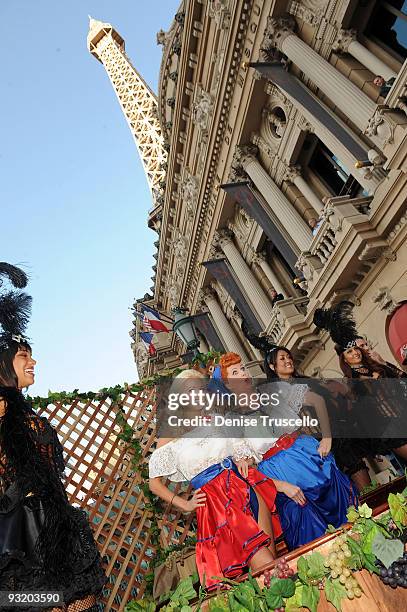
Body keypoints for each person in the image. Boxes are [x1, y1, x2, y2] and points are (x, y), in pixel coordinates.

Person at [0, 263, 106, 612]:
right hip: (19, 533)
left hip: (55, 521)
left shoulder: (25, 412)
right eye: (23, 355)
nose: (33, 361)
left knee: (80, 602)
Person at [149, 369, 281, 591]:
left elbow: (240, 448)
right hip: (219, 506)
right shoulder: (171, 433)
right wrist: (185, 504)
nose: (199, 395)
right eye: (191, 391)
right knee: (270, 569)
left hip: (246, 488)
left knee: (272, 566)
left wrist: (243, 458)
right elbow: (154, 483)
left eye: (201, 389)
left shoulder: (216, 419)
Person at [218, 350, 356, 551]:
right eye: (235, 373)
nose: (243, 374)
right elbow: (247, 469)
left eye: (243, 368)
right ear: (228, 385)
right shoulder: (232, 420)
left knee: (347, 513)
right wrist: (280, 485)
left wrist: (327, 437)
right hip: (279, 474)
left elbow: (317, 400)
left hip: (307, 456)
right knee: (311, 536)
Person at [314, 301, 407, 480]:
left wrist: (383, 363)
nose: (355, 352)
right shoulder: (353, 384)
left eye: (356, 348)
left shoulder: (379, 368)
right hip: (393, 432)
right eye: (349, 352)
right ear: (345, 360)